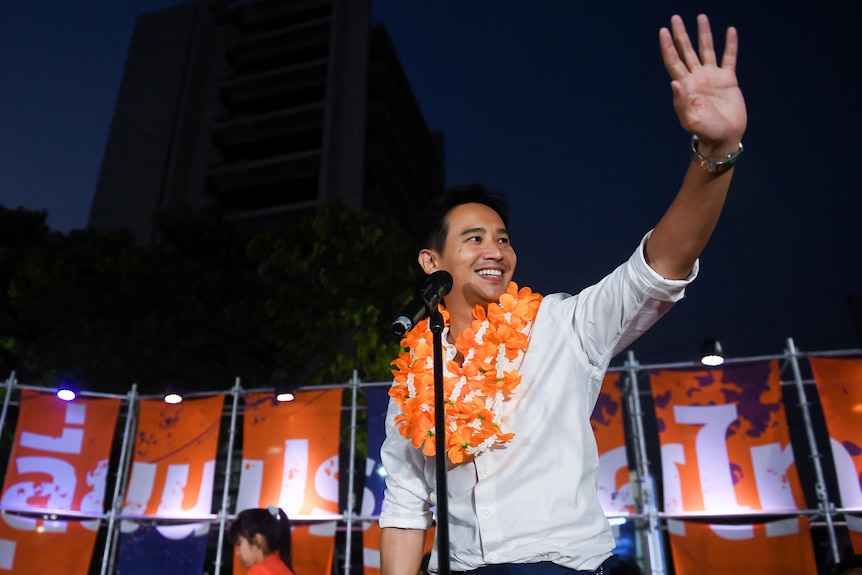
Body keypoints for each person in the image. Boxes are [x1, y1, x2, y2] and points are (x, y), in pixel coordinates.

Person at [379, 13, 746, 575]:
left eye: (503, 239)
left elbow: (660, 267)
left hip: (563, 565)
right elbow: (405, 510)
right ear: (432, 262)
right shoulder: (413, 379)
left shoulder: (564, 327)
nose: (496, 251)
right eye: (474, 239)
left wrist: (714, 154)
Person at [228, 505, 295, 575]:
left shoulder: (259, 571)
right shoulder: (282, 568)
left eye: (239, 544)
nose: (237, 553)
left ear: (257, 540)